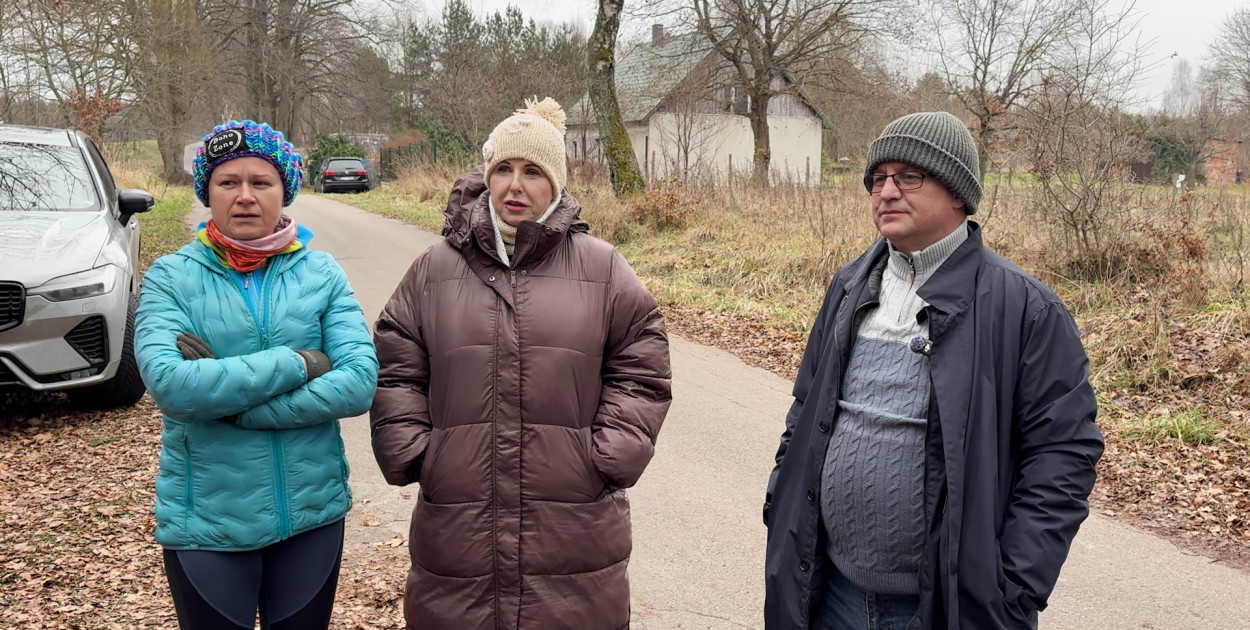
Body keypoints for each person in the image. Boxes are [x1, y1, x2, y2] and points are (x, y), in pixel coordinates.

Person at [763, 112, 1104, 629]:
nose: (887, 192)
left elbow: (1063, 454)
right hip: (827, 593)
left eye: (909, 176)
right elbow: (806, 408)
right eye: (878, 179)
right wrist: (780, 497)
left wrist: (1013, 588)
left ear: (959, 193)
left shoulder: (1026, 309)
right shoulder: (850, 285)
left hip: (945, 607)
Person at [370, 97, 672, 629]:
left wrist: (608, 455)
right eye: (503, 169)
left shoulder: (602, 267)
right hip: (458, 523)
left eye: (532, 172)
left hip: (574, 522)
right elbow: (397, 364)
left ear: (555, 183)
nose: (515, 186)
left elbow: (641, 364)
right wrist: (417, 452)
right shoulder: (434, 269)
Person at [135, 119, 378, 630]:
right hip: (205, 523)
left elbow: (358, 382)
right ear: (207, 192)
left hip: (310, 516)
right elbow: (172, 387)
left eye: (261, 182)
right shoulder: (170, 278)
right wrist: (302, 363)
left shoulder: (322, 273)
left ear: (283, 192)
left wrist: (234, 406)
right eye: (228, 182)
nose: (245, 196)